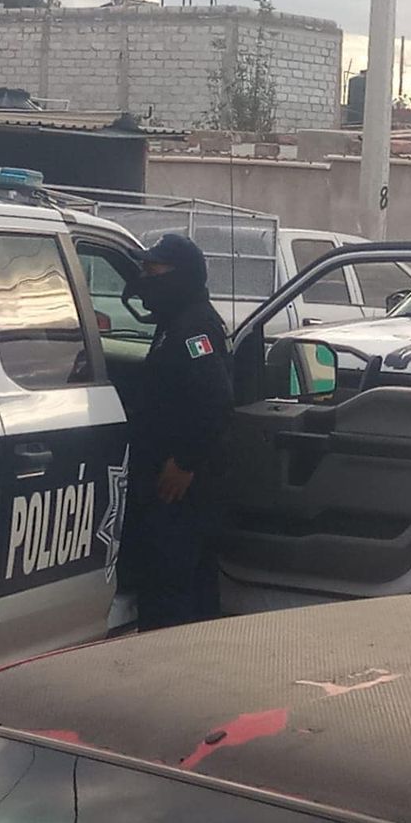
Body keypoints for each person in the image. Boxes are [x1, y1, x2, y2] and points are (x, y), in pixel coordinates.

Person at [119, 233, 233, 630]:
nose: (145, 280)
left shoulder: (193, 327)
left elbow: (214, 401)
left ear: (181, 276)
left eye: (154, 271)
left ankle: (169, 660)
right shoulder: (176, 321)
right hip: (172, 477)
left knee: (171, 586)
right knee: (182, 581)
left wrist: (185, 461)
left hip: (182, 485)